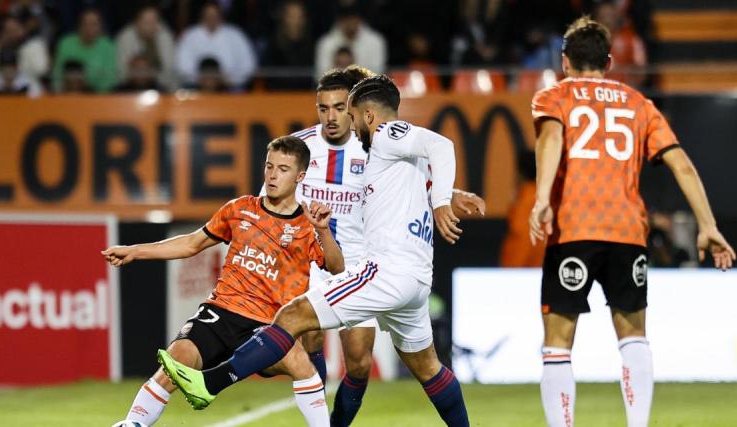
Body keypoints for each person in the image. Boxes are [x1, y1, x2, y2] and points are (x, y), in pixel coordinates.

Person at [159, 75, 472, 427]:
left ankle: (210, 383)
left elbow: (442, 144)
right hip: (416, 279)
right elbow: (428, 170)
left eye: (352, 115)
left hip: (384, 271)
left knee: (292, 317)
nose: (350, 125)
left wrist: (444, 201)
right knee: (428, 367)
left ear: (368, 116)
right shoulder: (406, 158)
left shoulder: (386, 134)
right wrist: (448, 192)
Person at [528, 17, 736, 427]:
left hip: (574, 230)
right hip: (627, 233)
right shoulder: (639, 104)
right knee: (634, 337)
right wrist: (707, 225)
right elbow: (682, 165)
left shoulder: (553, 97)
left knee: (557, 345)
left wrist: (540, 199)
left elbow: (551, 139)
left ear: (565, 60)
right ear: (608, 61)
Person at [266, 66, 484, 426]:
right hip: (313, 256)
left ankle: (239, 362)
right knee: (308, 333)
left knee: (360, 362)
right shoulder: (301, 146)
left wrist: (447, 195)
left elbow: (419, 174)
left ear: (357, 109)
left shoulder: (376, 141)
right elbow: (272, 195)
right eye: (324, 108)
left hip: (362, 258)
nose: (333, 116)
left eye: (341, 107)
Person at [103, 136, 344, 426]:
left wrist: (324, 232)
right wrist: (136, 251)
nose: (272, 175)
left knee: (299, 362)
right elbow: (192, 244)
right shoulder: (239, 209)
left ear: (300, 176)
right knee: (175, 360)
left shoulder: (307, 225)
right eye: (269, 166)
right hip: (222, 312)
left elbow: (336, 268)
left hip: (267, 326)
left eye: (282, 169)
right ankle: (133, 424)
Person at [176, 1, 257, 90]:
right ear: (202, 17)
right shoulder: (190, 35)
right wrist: (199, 79)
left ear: (221, 17)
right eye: (208, 16)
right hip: (196, 86)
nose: (211, 19)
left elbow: (248, 65)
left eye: (214, 16)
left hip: (230, 86)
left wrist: (230, 79)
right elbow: (181, 65)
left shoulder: (235, 35)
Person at [52, 8, 117, 92]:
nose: (89, 28)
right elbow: (57, 75)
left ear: (101, 27)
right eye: (85, 23)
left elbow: (110, 79)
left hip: (97, 97)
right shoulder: (65, 44)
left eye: (94, 24)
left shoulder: (108, 46)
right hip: (66, 95)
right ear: (79, 26)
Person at [314, 4, 386, 78]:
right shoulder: (325, 43)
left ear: (359, 19)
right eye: (346, 19)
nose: (350, 23)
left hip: (368, 88)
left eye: (353, 18)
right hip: (335, 87)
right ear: (339, 21)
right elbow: (320, 76)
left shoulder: (376, 41)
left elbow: (378, 74)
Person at [115, 6, 177, 90]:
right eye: (147, 22)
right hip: (132, 87)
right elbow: (122, 72)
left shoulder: (165, 36)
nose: (152, 26)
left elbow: (170, 69)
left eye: (155, 21)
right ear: (137, 23)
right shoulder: (125, 38)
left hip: (162, 86)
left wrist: (153, 78)